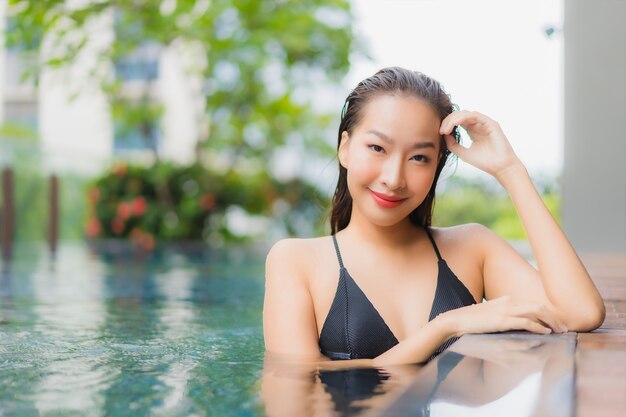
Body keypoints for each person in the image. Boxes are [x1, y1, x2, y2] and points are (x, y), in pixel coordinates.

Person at [263, 67, 605, 367]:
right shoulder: (296, 260)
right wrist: (444, 327)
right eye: (377, 148)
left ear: (437, 165)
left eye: (419, 158)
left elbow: (581, 313)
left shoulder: (472, 247)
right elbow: (297, 383)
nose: (394, 178)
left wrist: (510, 170)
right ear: (345, 148)